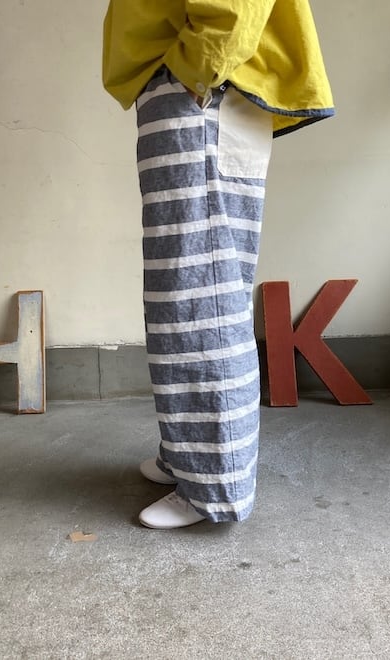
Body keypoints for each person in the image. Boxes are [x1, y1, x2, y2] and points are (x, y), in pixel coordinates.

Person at [102, 0, 334, 529]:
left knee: (200, 296)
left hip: (203, 84)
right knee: (183, 291)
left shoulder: (197, 72)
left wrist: (198, 65)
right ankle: (187, 455)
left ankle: (214, 484)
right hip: (191, 81)